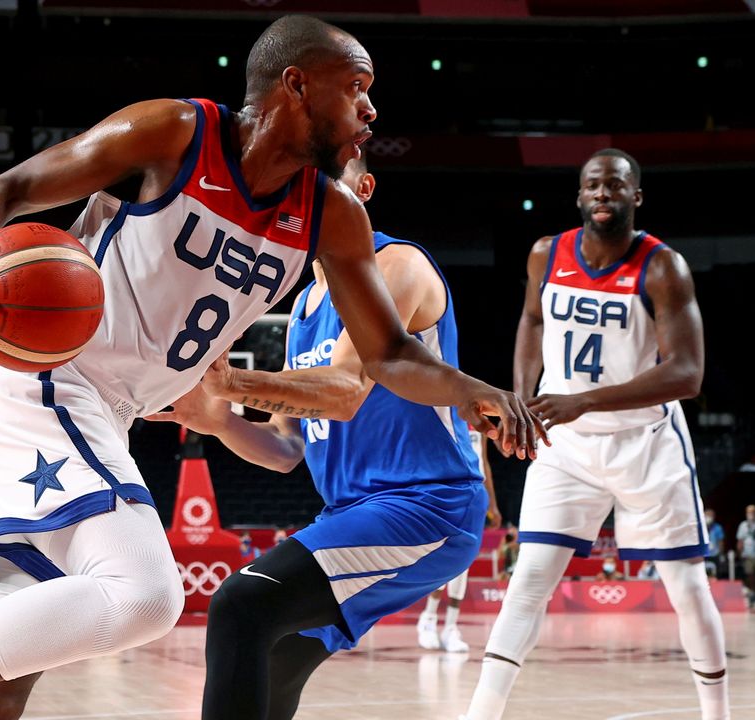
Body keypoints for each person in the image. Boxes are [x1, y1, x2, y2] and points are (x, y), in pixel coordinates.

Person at [0, 16, 543, 720]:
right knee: (147, 595)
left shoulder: (333, 216)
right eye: (358, 88)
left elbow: (389, 356)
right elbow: (13, 188)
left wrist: (475, 392)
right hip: (46, 382)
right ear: (297, 84)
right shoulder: (177, 131)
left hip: (84, 415)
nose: (371, 110)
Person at [148, 157, 499, 718]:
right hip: (353, 510)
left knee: (241, 602)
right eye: (296, 184)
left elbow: (345, 391)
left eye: (327, 181)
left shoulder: (396, 265)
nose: (306, 195)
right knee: (274, 660)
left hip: (428, 505)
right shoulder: (304, 308)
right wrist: (220, 422)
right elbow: (288, 449)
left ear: (364, 188)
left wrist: (234, 383)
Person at [463, 149, 729, 720]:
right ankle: (480, 713)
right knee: (529, 578)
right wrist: (522, 405)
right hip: (568, 447)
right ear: (580, 196)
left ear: (636, 196)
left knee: (686, 585)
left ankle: (718, 714)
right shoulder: (546, 253)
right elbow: (533, 319)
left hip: (645, 443)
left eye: (615, 185)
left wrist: (581, 400)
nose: (603, 193)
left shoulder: (663, 267)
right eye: (592, 185)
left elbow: (688, 374)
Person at [418, 430, 503, 654]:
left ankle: (450, 627)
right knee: (444, 560)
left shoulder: (481, 424)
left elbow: (484, 463)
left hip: (474, 495)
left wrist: (493, 504)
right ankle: (429, 619)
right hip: (449, 494)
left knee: (464, 564)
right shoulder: (445, 416)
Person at [704, 508, 726, 578]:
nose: (709, 517)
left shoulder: (718, 528)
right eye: (708, 515)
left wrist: (721, 554)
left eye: (711, 515)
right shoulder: (700, 528)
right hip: (703, 555)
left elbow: (721, 542)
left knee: (716, 574)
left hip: (715, 555)